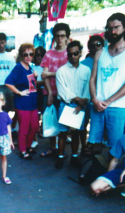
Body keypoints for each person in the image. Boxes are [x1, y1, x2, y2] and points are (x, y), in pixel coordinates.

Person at [89, 13, 125, 158]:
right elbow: (92, 80)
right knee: (94, 144)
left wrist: (108, 101)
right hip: (97, 105)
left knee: (114, 146)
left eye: (116, 27)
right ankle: (94, 173)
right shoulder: (100, 53)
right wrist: (94, 99)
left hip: (118, 107)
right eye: (110, 28)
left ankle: (110, 178)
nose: (113, 31)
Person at [55, 40, 91, 170]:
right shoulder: (61, 71)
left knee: (76, 133)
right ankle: (60, 157)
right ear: (67, 55)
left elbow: (88, 89)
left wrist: (81, 105)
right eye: (70, 54)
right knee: (63, 133)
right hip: (65, 105)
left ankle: (74, 157)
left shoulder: (86, 71)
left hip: (80, 107)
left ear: (80, 53)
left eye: (75, 53)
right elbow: (62, 91)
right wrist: (77, 99)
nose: (73, 56)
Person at [40, 23, 70, 157]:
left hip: (66, 94)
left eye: (62, 36)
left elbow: (68, 74)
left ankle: (62, 151)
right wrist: (50, 93)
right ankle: (53, 147)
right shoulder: (49, 54)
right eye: (57, 36)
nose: (59, 39)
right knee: (51, 121)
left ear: (67, 37)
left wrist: (52, 73)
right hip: (51, 92)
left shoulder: (70, 53)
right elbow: (43, 75)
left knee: (64, 123)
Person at [5, 43, 38, 160]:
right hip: (22, 104)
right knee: (24, 128)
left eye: (31, 54)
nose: (28, 57)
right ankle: (23, 150)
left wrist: (36, 76)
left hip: (33, 103)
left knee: (34, 127)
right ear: (21, 55)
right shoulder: (18, 67)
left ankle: (28, 147)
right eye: (25, 54)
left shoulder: (30, 67)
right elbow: (8, 82)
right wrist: (18, 92)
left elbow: (32, 84)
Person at [81, 35, 104, 156]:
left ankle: (95, 150)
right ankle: (84, 146)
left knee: (98, 128)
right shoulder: (84, 63)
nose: (95, 47)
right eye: (93, 45)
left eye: (98, 45)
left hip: (99, 100)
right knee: (83, 126)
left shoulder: (105, 60)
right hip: (86, 100)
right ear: (89, 47)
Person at [32, 46, 46, 147]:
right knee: (35, 114)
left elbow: (46, 81)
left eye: (41, 55)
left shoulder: (45, 68)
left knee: (44, 113)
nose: (39, 57)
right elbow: (32, 83)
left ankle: (42, 130)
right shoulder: (32, 67)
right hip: (35, 93)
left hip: (44, 93)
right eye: (37, 55)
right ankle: (35, 135)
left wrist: (37, 82)